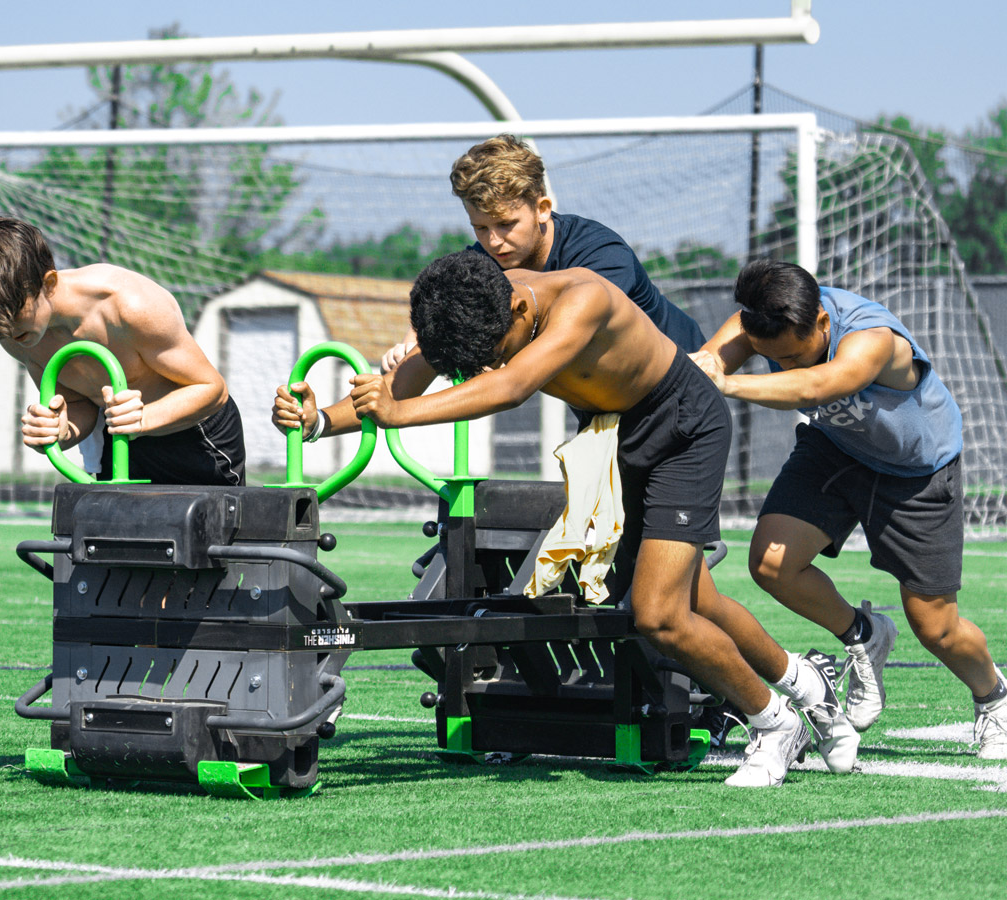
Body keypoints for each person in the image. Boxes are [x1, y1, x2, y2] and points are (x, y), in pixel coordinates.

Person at [274, 250, 859, 786]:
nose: (495, 356)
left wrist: (401, 416)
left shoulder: (583, 298)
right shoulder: (482, 304)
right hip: (612, 435)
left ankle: (774, 722)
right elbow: (403, 384)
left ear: (522, 308)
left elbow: (509, 387)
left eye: (500, 345)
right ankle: (807, 683)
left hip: (683, 428)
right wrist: (320, 420)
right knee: (696, 602)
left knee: (657, 615)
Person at [691, 259, 1006, 759]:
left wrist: (725, 384)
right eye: (778, 359)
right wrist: (700, 367)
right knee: (772, 565)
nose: (789, 366)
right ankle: (864, 633)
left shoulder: (872, 338)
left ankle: (994, 697)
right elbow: (705, 367)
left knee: (936, 627)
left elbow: (820, 386)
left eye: (796, 355)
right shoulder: (757, 321)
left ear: (820, 321)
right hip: (838, 450)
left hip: (915, 471)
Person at [0, 215, 245, 486]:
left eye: (16, 315)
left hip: (199, 439)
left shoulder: (128, 305)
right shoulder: (13, 331)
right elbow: (81, 405)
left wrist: (143, 419)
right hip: (121, 444)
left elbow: (212, 389)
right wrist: (59, 431)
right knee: (108, 543)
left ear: (49, 283)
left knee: (207, 541)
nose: (10, 335)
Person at [379, 134, 704, 374]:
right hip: (603, 393)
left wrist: (499, 359)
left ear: (542, 209)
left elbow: (570, 342)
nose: (494, 242)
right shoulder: (488, 259)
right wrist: (412, 344)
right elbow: (441, 305)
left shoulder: (601, 255)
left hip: (682, 372)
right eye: (480, 228)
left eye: (506, 224)